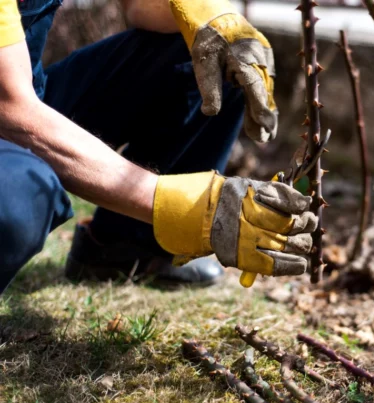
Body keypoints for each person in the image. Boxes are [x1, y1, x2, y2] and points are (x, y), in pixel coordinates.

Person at [0, 0, 318, 293]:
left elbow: (137, 6)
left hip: (25, 87)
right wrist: (186, 207)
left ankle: (126, 245)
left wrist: (208, 17)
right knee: (19, 203)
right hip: (10, 107)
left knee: (209, 56)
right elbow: (12, 113)